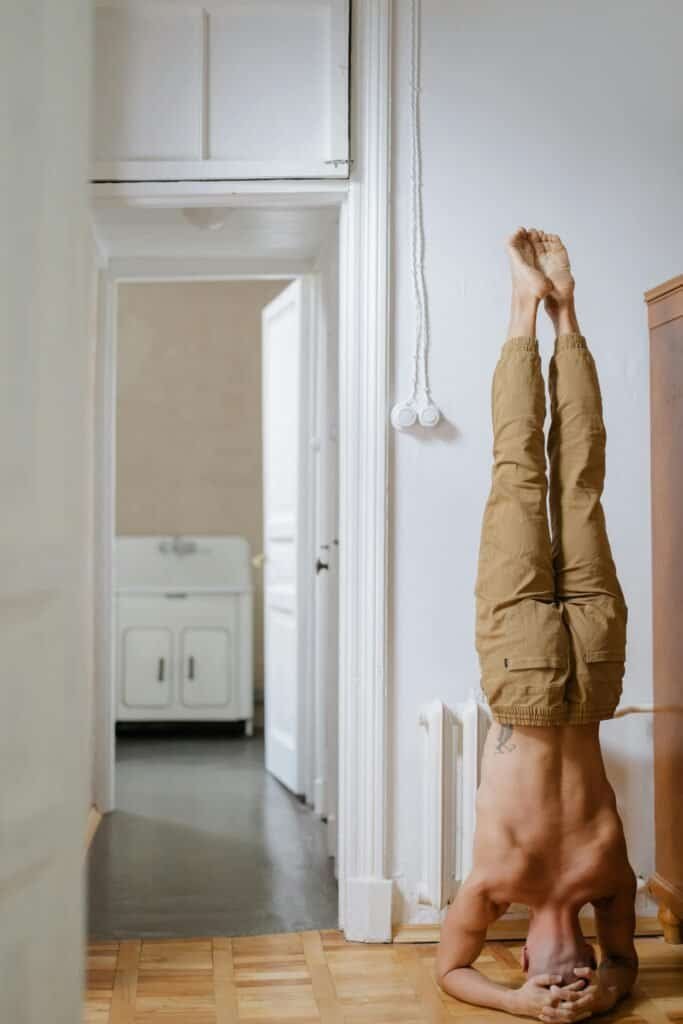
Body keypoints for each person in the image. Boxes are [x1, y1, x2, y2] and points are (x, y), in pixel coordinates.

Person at [435, 230, 638, 1020]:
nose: (564, 978)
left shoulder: (495, 888)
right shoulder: (605, 883)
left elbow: (451, 972)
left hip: (520, 675)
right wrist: (604, 993)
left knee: (518, 471)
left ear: (516, 951)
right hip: (593, 675)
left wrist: (521, 1006)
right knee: (581, 481)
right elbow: (624, 960)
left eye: (542, 976)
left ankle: (522, 307)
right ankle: (567, 316)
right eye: (572, 976)